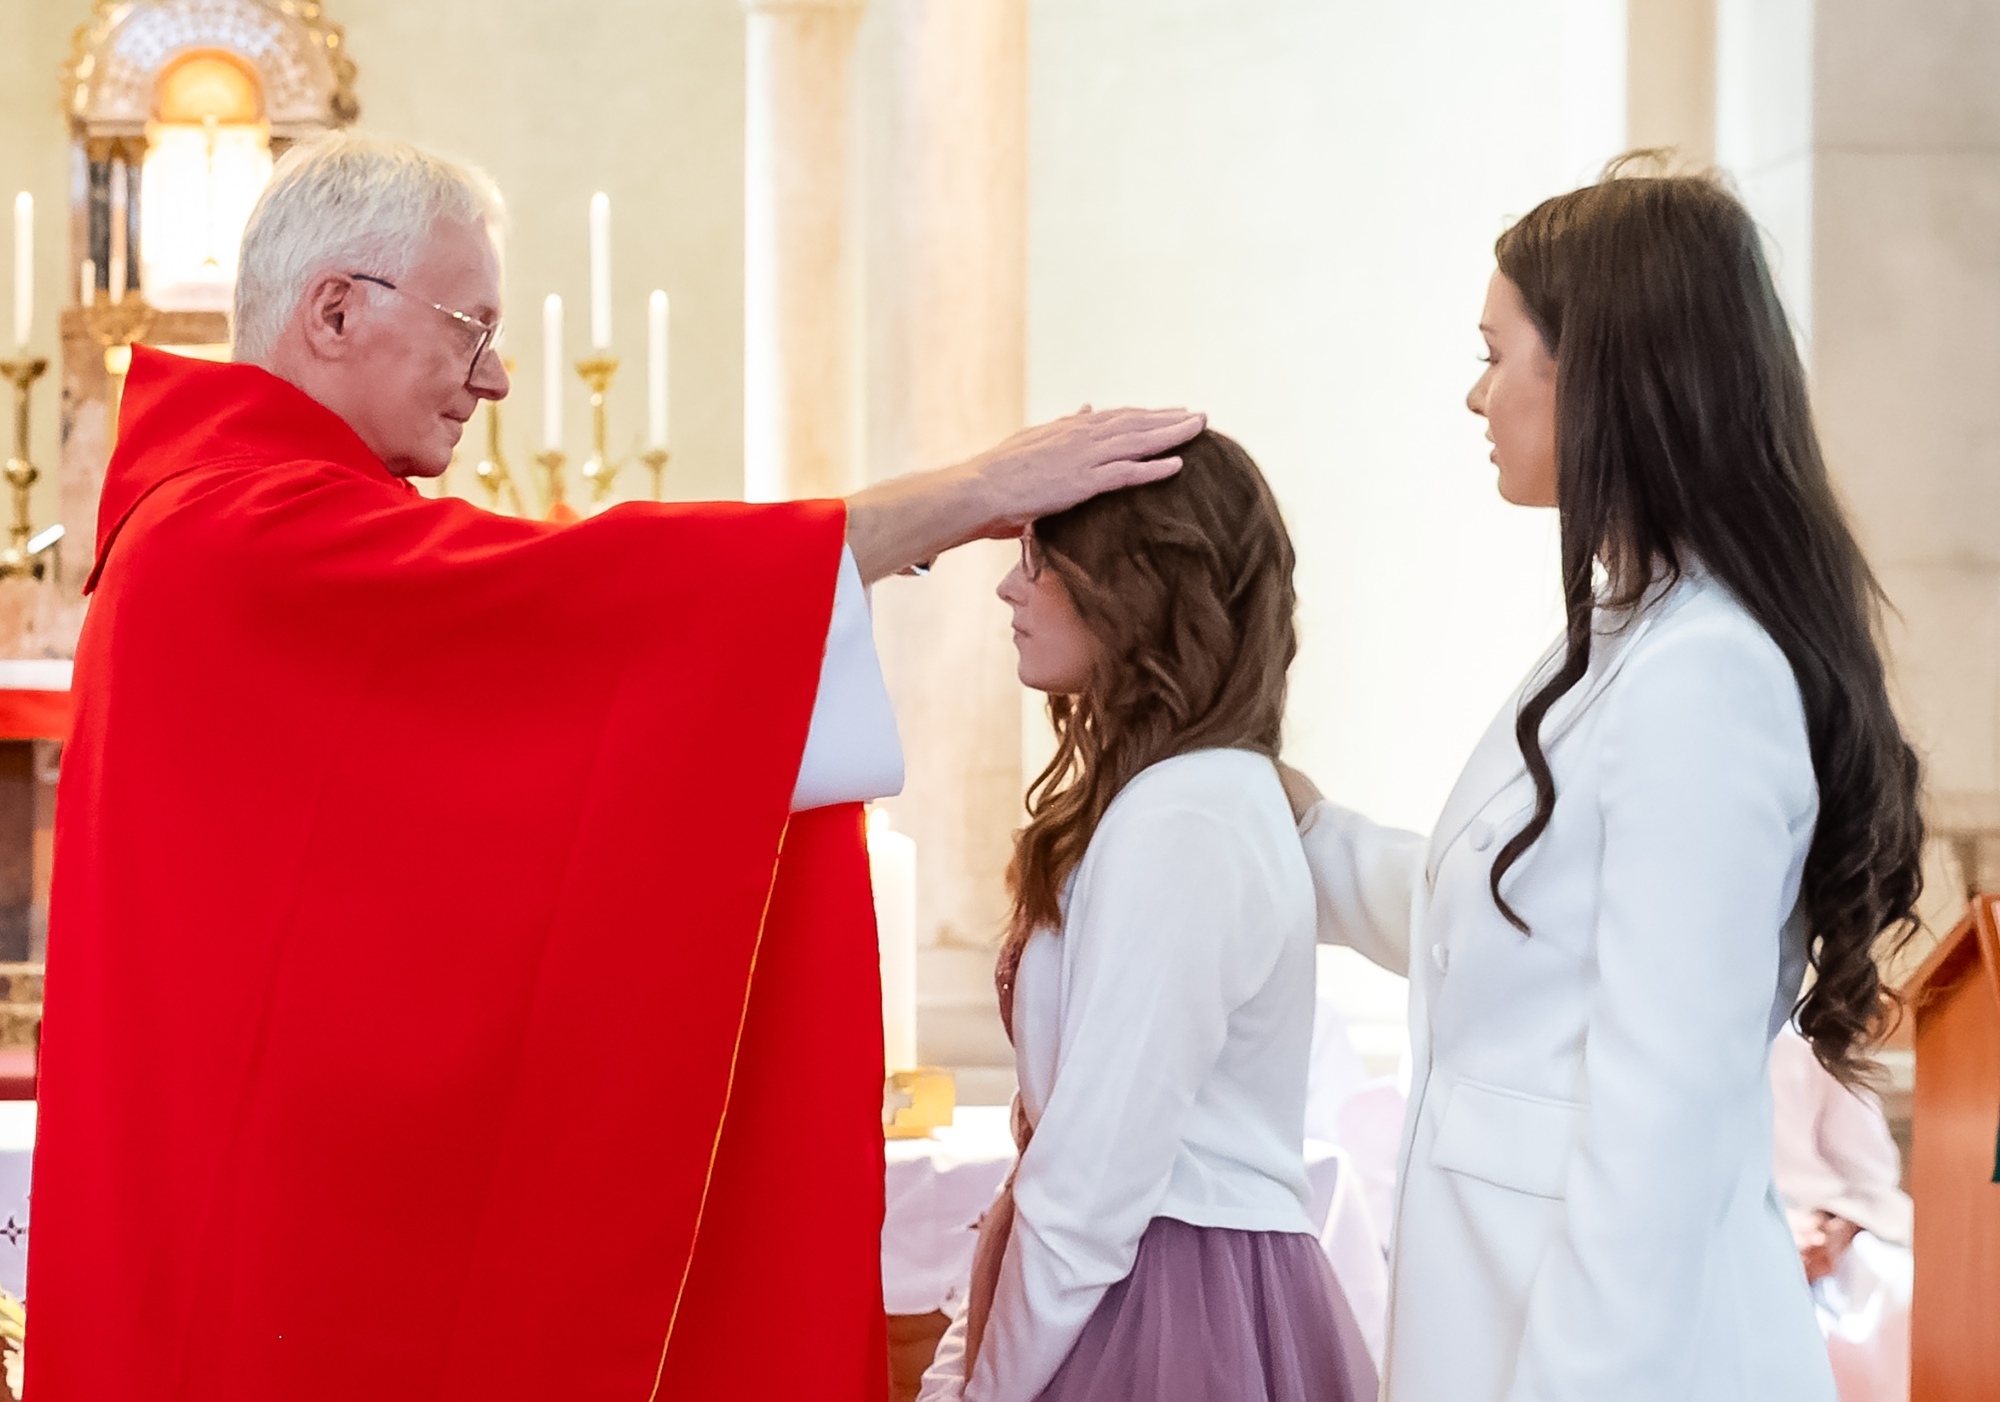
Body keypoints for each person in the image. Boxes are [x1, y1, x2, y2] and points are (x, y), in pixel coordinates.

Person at [25, 133, 1203, 1402]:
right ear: (334, 311)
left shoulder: (218, 515)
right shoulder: (240, 530)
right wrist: (965, 493)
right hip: (263, 1244)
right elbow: (589, 605)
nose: (493, 378)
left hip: (253, 1216)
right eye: (470, 329)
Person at [1278, 164, 1925, 1402]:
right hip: (1506, 1312)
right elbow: (1512, 928)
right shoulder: (1625, 635)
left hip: (1612, 1355)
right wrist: (1309, 834)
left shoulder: (1703, 673)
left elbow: (1657, 1120)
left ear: (1599, 374)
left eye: (1494, 355)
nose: (1475, 395)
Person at [919, 431, 1376, 1402]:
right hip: (1152, 1276)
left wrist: (986, 1390)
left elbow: (1093, 1174)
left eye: (1040, 559)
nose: (1008, 588)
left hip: (1166, 1301)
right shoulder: (1173, 800)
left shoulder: (1184, 816)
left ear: (1134, 588)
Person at [1770, 1027, 1913, 1402]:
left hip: (1819, 1254)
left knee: (1900, 1291)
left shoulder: (1805, 1036)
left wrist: (1837, 1229)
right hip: (1702, 1253)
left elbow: (1873, 1181)